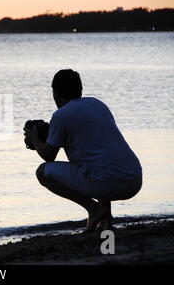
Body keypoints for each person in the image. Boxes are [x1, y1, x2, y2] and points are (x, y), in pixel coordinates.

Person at [24, 69, 142, 232]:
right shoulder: (97, 105)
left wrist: (35, 139)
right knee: (97, 162)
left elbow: (49, 156)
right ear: (80, 90)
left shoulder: (61, 116)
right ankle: (105, 220)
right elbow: (99, 152)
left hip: (108, 181)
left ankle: (94, 210)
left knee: (43, 172)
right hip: (134, 179)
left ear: (56, 93)